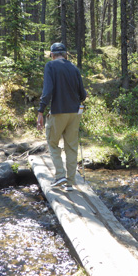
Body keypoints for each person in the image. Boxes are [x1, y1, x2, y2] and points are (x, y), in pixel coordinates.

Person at [37, 43, 87, 191]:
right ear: (65, 54)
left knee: (52, 142)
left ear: (52, 55)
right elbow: (83, 95)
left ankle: (60, 176)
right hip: (75, 113)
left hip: (58, 112)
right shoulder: (74, 68)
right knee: (71, 147)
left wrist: (41, 111)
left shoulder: (50, 66)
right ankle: (70, 183)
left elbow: (47, 91)